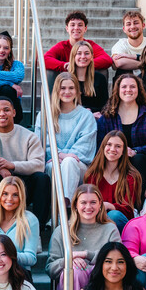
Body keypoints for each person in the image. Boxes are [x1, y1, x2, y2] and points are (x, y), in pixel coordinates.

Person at [0, 96, 51, 228]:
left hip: (22, 184)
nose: (2, 114)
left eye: (6, 110)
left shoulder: (29, 136)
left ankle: (37, 228)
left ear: (14, 112)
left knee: (42, 178)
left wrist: (12, 165)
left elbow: (38, 164)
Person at [46, 184, 120, 290]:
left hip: (101, 284)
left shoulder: (110, 229)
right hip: (71, 285)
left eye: (93, 202)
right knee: (76, 271)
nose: (88, 207)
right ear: (75, 205)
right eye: (83, 202)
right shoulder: (62, 231)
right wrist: (70, 260)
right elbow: (51, 269)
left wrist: (86, 255)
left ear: (100, 204)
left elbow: (118, 261)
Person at [35, 72, 97, 204]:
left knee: (69, 162)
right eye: (63, 88)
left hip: (78, 165)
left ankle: (65, 208)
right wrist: (61, 155)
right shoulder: (45, 114)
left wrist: (64, 156)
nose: (67, 92)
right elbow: (40, 144)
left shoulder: (86, 116)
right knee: (54, 166)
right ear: (56, 90)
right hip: (52, 162)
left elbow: (86, 147)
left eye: (71, 88)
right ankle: (58, 213)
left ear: (77, 91)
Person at [97, 73, 146, 186]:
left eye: (132, 86)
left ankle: (138, 202)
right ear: (117, 90)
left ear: (138, 90)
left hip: (141, 165)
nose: (128, 90)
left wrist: (134, 151)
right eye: (124, 87)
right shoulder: (107, 117)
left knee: (138, 159)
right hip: (114, 161)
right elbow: (100, 146)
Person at [84, 131, 143, 231]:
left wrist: (109, 206)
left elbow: (129, 210)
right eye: (109, 145)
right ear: (103, 147)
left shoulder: (131, 176)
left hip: (121, 224)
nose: (112, 149)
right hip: (97, 220)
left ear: (124, 150)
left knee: (113, 215)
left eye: (118, 146)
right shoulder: (92, 175)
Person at [0, 177, 41, 270]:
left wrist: (6, 254)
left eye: (15, 195)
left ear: (21, 197)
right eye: (5, 194)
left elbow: (31, 258)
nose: (9, 199)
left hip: (19, 274)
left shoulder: (30, 220)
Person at [43, 11, 113, 73]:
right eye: (72, 25)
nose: (76, 28)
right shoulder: (62, 46)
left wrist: (83, 64)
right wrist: (64, 65)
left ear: (85, 29)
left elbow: (107, 60)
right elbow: (44, 59)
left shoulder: (90, 45)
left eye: (80, 25)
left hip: (86, 82)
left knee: (102, 72)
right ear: (67, 28)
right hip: (66, 83)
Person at [0, 31, 25, 123]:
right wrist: (10, 83)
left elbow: (17, 77)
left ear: (10, 50)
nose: (2, 50)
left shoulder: (17, 65)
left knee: (6, 89)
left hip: (13, 112)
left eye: (6, 48)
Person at [110, 10, 146, 81]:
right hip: (127, 83)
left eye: (136, 23)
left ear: (143, 25)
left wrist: (133, 57)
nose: (132, 26)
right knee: (122, 71)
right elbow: (119, 63)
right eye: (128, 24)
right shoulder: (121, 44)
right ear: (124, 29)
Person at [68, 40, 109, 115]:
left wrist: (91, 112)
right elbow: (62, 105)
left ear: (91, 56)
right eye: (79, 53)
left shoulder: (100, 78)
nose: (83, 57)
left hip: (94, 119)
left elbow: (105, 105)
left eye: (86, 53)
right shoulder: (66, 79)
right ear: (73, 56)